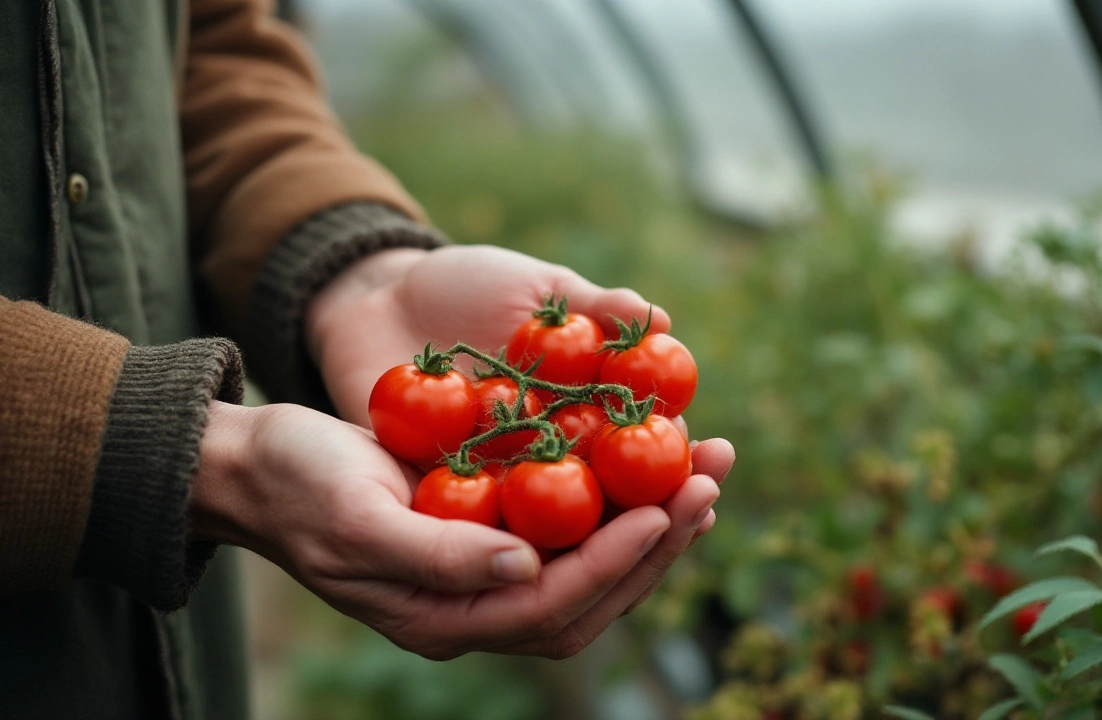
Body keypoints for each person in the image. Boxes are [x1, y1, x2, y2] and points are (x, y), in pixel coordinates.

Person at [0, 0, 734, 717]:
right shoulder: (538, 423)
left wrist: (354, 268)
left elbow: (215, 53)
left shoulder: (512, 421)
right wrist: (156, 447)